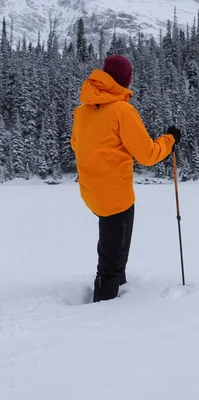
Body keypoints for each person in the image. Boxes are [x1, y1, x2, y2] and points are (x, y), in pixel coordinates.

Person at [70, 54, 181, 302]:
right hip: (117, 197)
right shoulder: (122, 110)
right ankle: (104, 310)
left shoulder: (81, 111)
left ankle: (117, 290)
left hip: (92, 192)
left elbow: (76, 144)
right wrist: (170, 140)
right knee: (111, 261)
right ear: (123, 81)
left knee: (111, 246)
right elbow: (148, 155)